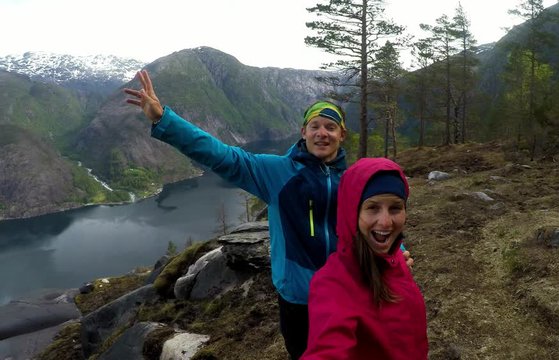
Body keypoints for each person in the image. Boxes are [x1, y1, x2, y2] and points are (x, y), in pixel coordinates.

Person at [123, 69, 347, 359]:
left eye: (330, 127)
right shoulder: (277, 172)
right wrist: (163, 118)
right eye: (315, 126)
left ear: (341, 135)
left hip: (344, 291)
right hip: (299, 299)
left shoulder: (352, 180)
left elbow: (369, 226)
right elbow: (221, 155)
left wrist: (396, 252)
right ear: (303, 132)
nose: (322, 133)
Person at [301, 157, 429, 359]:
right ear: (352, 212)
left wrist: (396, 267)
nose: (386, 222)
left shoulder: (392, 257)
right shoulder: (333, 284)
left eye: (395, 207)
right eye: (372, 208)